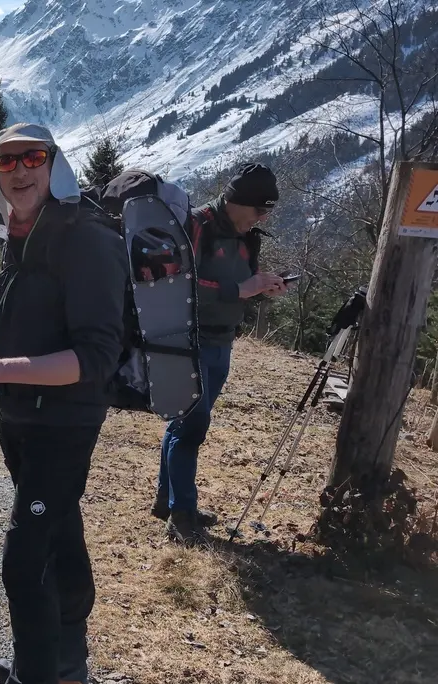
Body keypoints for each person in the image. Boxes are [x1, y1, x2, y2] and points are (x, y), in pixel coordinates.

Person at [0, 123, 129, 684]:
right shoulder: (23, 233)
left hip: (63, 423)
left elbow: (94, 359)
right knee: (60, 536)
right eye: (6, 162)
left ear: (54, 164)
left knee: (24, 562)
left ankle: (36, 674)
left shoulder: (86, 239)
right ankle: (66, 666)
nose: (19, 170)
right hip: (22, 418)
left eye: (32, 157)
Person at [153, 163, 288, 544]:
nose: (262, 217)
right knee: (191, 427)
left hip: (222, 341)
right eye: (260, 209)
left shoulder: (249, 238)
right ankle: (182, 515)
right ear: (235, 201)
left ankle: (169, 501)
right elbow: (176, 281)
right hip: (187, 339)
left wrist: (262, 288)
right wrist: (240, 290)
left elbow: (241, 284)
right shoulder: (197, 225)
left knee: (183, 424)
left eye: (268, 212)